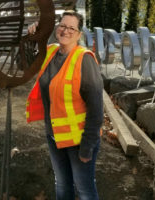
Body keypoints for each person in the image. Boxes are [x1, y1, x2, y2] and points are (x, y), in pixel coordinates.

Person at [26, 10, 103, 200]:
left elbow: (96, 110)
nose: (65, 31)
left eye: (71, 28)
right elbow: (26, 65)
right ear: (56, 28)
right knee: (61, 184)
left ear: (78, 34)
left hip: (79, 140)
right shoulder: (50, 51)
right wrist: (33, 38)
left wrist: (87, 147)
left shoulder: (84, 59)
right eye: (62, 26)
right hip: (54, 135)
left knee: (84, 190)